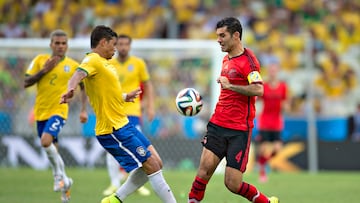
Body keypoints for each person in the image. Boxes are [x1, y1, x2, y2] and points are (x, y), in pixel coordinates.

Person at [60, 25, 176, 203]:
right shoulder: (93, 60)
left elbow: (105, 92)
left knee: (156, 162)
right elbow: (77, 74)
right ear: (103, 42)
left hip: (124, 123)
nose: (115, 48)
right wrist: (70, 89)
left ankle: (114, 200)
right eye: (113, 44)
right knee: (151, 166)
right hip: (112, 129)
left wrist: (124, 96)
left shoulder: (105, 64)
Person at [187, 17, 279, 203]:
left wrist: (231, 86)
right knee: (203, 173)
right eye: (217, 36)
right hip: (217, 125)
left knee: (232, 184)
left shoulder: (249, 61)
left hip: (239, 131)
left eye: (223, 35)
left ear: (236, 35)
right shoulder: (225, 59)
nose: (218, 40)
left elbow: (259, 89)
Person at [24, 29, 88, 203]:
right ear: (51, 44)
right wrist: (44, 71)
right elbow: (26, 82)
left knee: (46, 141)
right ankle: (65, 184)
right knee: (53, 150)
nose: (60, 46)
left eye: (64, 43)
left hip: (59, 110)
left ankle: (57, 176)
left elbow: (84, 87)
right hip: (40, 111)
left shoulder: (74, 66)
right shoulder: (39, 60)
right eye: (57, 43)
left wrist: (83, 110)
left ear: (67, 45)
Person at [102, 34, 155, 196]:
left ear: (130, 46)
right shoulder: (109, 64)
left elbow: (148, 85)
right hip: (113, 112)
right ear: (116, 46)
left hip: (132, 112)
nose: (123, 47)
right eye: (121, 44)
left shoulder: (138, 63)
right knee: (112, 149)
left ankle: (134, 183)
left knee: (137, 147)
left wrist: (150, 106)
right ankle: (114, 183)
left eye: (126, 44)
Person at [256, 63, 289, 183]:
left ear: (278, 72)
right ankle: (262, 172)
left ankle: (263, 163)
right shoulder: (264, 86)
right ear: (268, 72)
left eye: (274, 70)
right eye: (271, 70)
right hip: (265, 121)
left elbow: (285, 102)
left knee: (277, 148)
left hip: (277, 122)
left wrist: (286, 107)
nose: (272, 73)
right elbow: (257, 100)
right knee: (263, 147)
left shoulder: (283, 87)